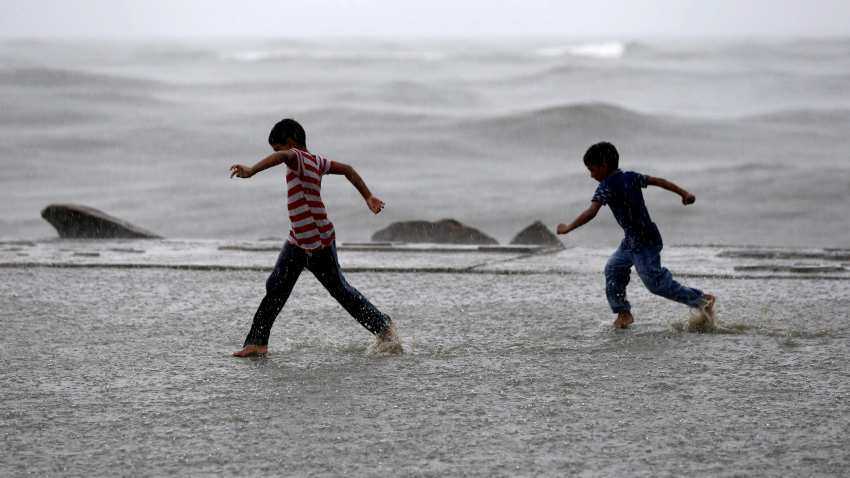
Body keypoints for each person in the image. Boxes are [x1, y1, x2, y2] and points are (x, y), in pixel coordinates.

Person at [229, 118, 401, 356]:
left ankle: (383, 327)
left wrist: (252, 170)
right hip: (299, 239)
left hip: (318, 242)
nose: (279, 155)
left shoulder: (297, 158)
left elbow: (283, 157)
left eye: (278, 148)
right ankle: (257, 342)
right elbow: (348, 169)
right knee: (276, 286)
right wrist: (368, 196)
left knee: (340, 290)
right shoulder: (317, 161)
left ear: (290, 143)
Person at [556, 141, 715, 329]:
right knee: (613, 269)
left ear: (604, 166)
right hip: (631, 241)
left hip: (645, 241)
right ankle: (623, 313)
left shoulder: (606, 186)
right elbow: (658, 181)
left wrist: (568, 228)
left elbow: (591, 212)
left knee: (656, 284)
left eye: (592, 170)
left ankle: (701, 300)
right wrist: (683, 193)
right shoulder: (631, 177)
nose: (591, 175)